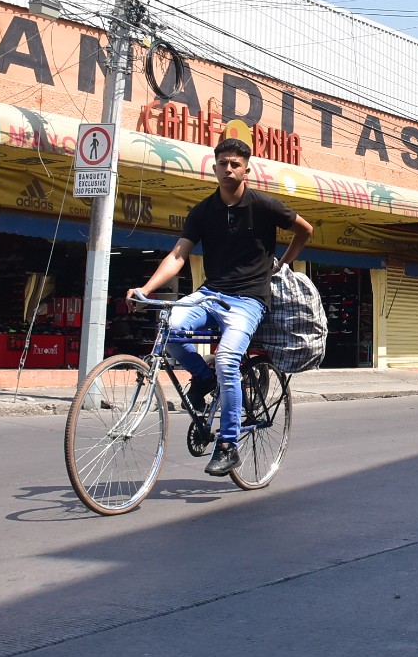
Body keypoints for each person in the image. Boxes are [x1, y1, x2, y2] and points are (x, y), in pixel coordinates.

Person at [132, 137, 314, 476]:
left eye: (235, 164)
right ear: (214, 168)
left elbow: (305, 230)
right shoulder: (203, 211)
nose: (228, 169)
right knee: (169, 327)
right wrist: (145, 289)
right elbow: (178, 255)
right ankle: (203, 377)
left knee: (228, 359)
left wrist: (281, 264)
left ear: (246, 169)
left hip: (249, 299)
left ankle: (228, 444)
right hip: (211, 293)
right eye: (222, 164)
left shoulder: (264, 205)